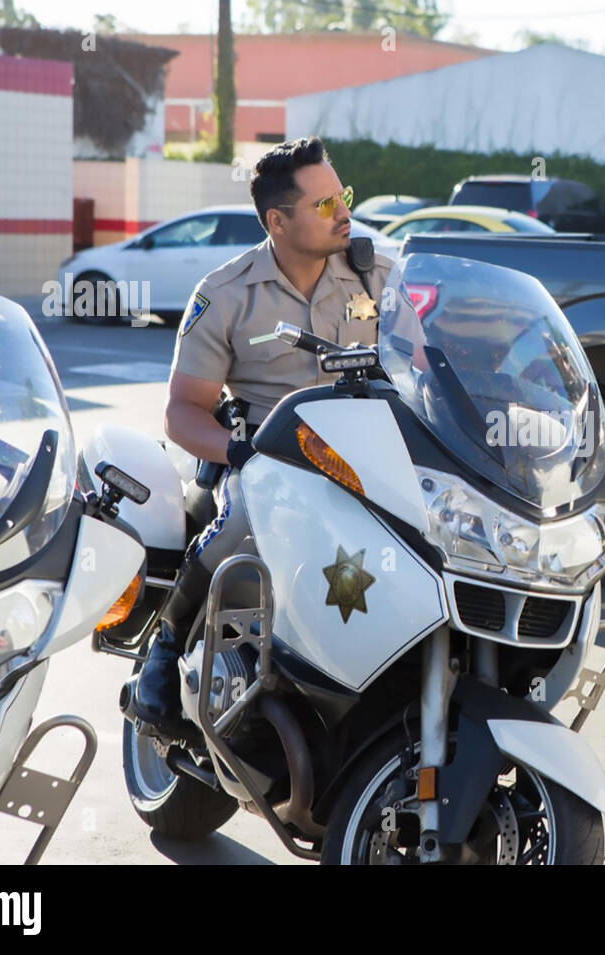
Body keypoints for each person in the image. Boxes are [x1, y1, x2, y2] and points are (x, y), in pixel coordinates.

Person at [131, 137, 393, 736]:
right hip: (267, 456)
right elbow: (183, 411)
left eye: (343, 196)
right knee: (242, 518)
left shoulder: (374, 272)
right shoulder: (225, 293)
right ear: (278, 220)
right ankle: (166, 651)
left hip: (369, 458)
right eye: (325, 204)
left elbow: (428, 366)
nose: (343, 212)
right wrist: (239, 453)